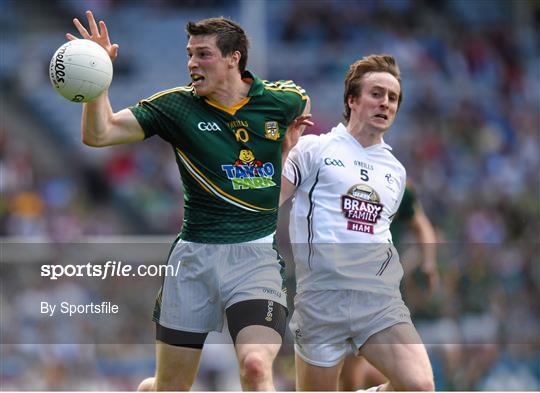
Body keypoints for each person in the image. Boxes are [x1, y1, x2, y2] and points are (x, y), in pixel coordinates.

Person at [67, 11, 311, 391]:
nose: (192, 64)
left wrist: (284, 150)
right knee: (170, 387)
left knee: (255, 367)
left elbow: (302, 104)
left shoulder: (283, 101)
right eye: (189, 55)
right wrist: (97, 78)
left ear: (234, 58)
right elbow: (99, 134)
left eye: (203, 54)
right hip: (194, 261)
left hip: (255, 260)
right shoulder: (177, 107)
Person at [280, 54, 434, 391]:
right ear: (352, 100)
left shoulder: (395, 170)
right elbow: (268, 201)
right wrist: (283, 151)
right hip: (322, 298)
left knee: (419, 386)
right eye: (377, 93)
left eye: (393, 98)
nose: (386, 103)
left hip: (379, 301)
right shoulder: (312, 149)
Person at [339, 182, 439, 390]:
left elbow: (421, 224)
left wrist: (428, 263)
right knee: (351, 373)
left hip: (385, 290)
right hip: (344, 286)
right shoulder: (338, 174)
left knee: (408, 376)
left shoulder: (394, 181)